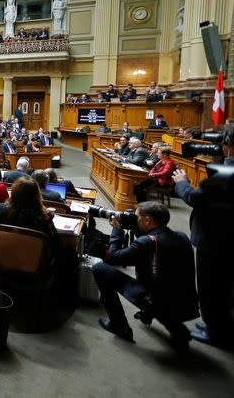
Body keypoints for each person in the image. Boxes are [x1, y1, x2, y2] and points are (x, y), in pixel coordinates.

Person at [91, 202, 198, 350]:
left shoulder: (145, 243)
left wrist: (117, 230)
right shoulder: (181, 237)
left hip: (154, 302)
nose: (134, 219)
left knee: (99, 269)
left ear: (148, 220)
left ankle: (119, 326)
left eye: (137, 217)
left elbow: (113, 258)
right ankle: (178, 330)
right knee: (165, 291)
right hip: (185, 304)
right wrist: (134, 226)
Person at [172, 123, 234, 348]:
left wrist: (182, 184)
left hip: (215, 240)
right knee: (226, 287)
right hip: (226, 238)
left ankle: (216, 331)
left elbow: (196, 199)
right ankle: (218, 325)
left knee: (211, 288)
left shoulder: (230, 171)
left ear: (228, 145)